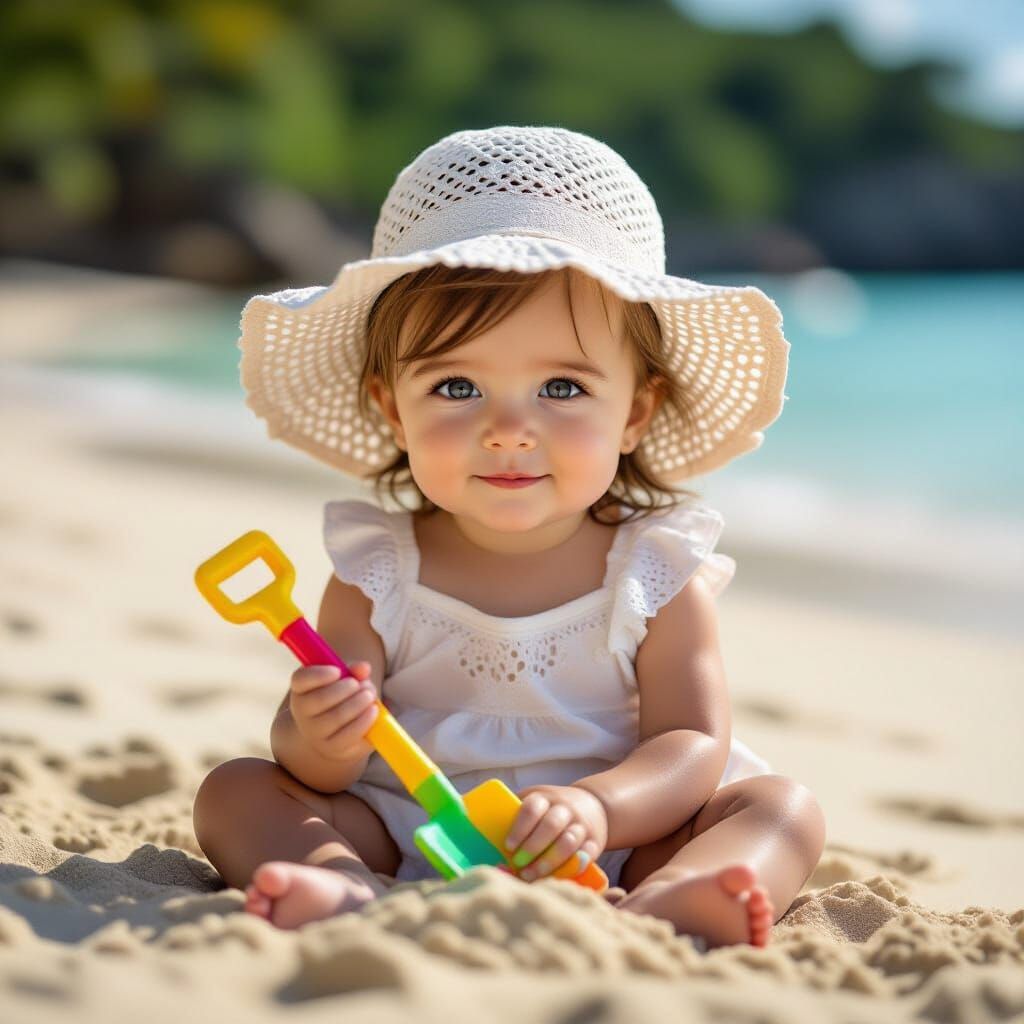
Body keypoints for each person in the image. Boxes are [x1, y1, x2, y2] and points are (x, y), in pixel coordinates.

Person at [193, 125, 826, 949]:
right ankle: (344, 888)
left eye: (561, 386)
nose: (508, 430)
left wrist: (600, 807)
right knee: (237, 791)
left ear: (635, 411)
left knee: (781, 808)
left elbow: (691, 743)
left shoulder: (653, 570)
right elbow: (318, 766)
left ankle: (672, 895)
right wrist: (318, 734)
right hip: (409, 828)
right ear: (393, 408)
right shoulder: (377, 568)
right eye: (456, 385)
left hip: (615, 844)